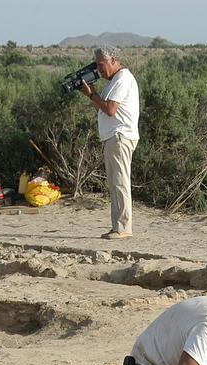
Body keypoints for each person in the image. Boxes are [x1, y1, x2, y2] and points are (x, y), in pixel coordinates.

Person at [79, 46, 140, 240]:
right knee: (116, 183)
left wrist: (91, 94)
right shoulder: (116, 80)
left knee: (120, 182)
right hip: (116, 137)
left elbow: (110, 109)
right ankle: (118, 226)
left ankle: (123, 227)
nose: (98, 69)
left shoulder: (122, 79)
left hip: (120, 136)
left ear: (113, 60)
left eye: (101, 64)